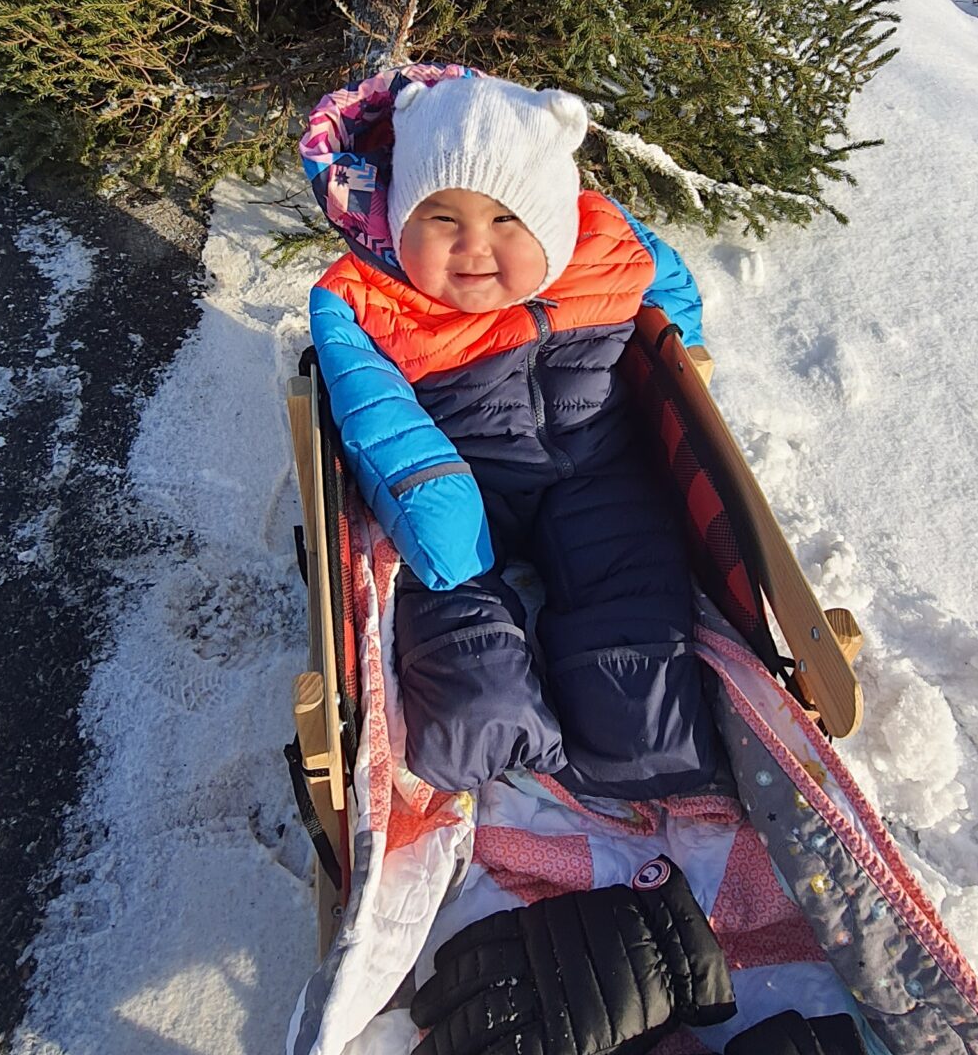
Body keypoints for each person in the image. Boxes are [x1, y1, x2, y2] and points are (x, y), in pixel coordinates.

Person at [300, 65, 726, 801]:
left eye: (506, 220)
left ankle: (637, 739)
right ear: (401, 220)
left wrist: (676, 358)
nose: (474, 246)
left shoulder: (607, 244)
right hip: (461, 482)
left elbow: (670, 289)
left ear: (555, 223)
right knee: (450, 601)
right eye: (442, 219)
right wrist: (429, 496)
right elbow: (372, 408)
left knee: (633, 596)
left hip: (598, 467)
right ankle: (489, 727)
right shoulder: (364, 296)